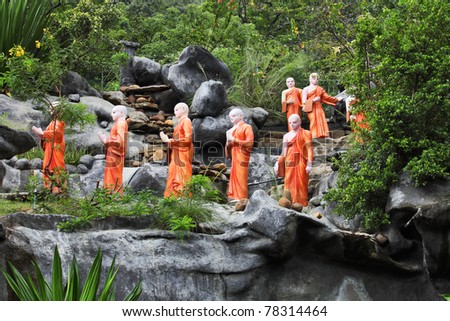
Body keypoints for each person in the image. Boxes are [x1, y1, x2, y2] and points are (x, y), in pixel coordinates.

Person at [274, 114, 313, 209]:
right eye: (290, 122)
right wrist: (277, 163)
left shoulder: (306, 133)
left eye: (294, 122)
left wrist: (309, 163)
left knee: (301, 181)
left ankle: (302, 203)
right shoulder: (286, 136)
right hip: (290, 161)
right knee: (288, 180)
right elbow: (284, 152)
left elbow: (309, 149)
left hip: (301, 160)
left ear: (300, 122)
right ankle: (288, 202)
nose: (292, 124)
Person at [160, 102, 193, 198]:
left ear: (183, 109)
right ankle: (172, 196)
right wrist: (169, 141)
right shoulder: (180, 123)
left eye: (177, 110)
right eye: (174, 110)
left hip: (183, 152)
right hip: (177, 152)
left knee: (181, 174)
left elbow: (188, 139)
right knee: (173, 173)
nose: (175, 112)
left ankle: (182, 196)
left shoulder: (186, 121)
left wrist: (170, 140)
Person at [32, 111, 66, 194]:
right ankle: (48, 189)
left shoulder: (59, 122)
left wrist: (43, 133)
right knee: (47, 166)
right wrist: (42, 136)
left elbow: (57, 134)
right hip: (49, 148)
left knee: (57, 167)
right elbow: (48, 135)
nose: (51, 112)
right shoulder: (52, 122)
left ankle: (58, 190)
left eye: (52, 109)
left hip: (56, 147)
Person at [97, 105, 129, 194]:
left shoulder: (121, 123)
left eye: (114, 112)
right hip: (113, 153)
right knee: (112, 173)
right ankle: (111, 194)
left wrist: (105, 140)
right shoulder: (120, 123)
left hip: (115, 153)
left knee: (113, 174)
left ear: (121, 113)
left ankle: (113, 194)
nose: (111, 114)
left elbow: (120, 142)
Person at [225, 108, 254, 202]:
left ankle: (242, 197)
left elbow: (250, 143)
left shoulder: (247, 127)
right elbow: (227, 154)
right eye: (230, 116)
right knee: (234, 174)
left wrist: (234, 140)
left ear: (240, 116)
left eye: (233, 116)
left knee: (241, 175)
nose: (231, 118)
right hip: (234, 155)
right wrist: (228, 143)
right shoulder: (230, 130)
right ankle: (234, 196)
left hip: (242, 155)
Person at [302, 73, 343, 138]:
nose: (316, 80)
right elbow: (303, 102)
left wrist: (336, 99)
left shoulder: (320, 89)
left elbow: (327, 97)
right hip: (311, 108)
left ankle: (324, 135)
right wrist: (313, 100)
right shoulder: (306, 89)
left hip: (318, 107)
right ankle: (314, 135)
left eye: (317, 79)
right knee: (313, 121)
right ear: (310, 79)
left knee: (322, 119)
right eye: (314, 79)